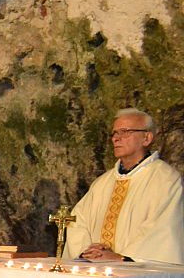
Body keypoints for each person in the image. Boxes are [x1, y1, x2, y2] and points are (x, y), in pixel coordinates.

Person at [64, 108, 184, 264]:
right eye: (114, 133)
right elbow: (78, 220)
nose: (116, 139)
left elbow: (162, 228)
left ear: (146, 138)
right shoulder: (102, 183)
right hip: (95, 271)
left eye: (125, 132)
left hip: (138, 276)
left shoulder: (165, 179)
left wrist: (122, 257)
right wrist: (88, 250)